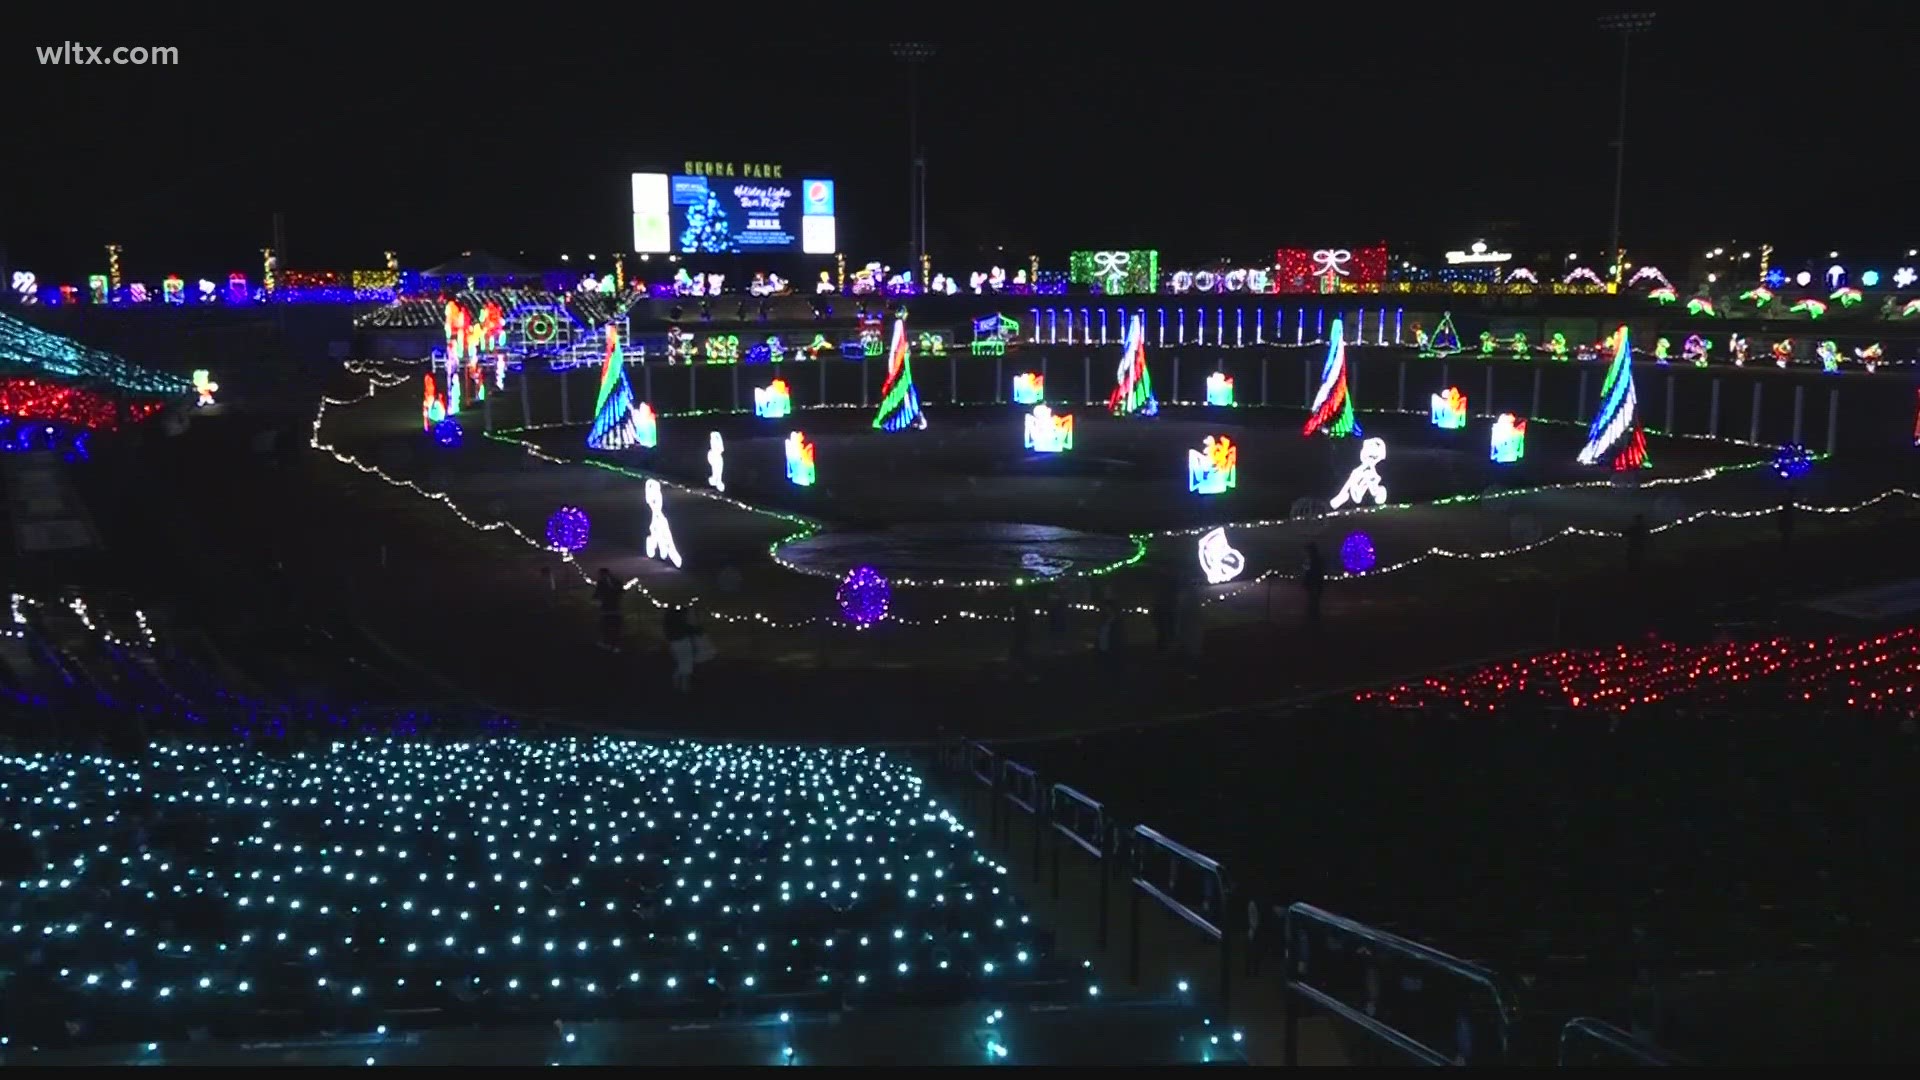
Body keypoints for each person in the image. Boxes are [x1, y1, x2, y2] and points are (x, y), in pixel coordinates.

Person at [593, 568, 624, 652]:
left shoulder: (602, 583)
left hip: (608, 610)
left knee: (607, 628)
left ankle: (609, 645)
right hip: (614, 609)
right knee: (614, 628)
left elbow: (596, 596)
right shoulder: (615, 582)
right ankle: (614, 645)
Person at [1302, 542, 1326, 629]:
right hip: (1316, 582)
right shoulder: (1316, 560)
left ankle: (1313, 619)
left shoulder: (1312, 560)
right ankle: (1314, 618)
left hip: (1314, 582)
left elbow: (1309, 572)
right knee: (1314, 600)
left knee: (1313, 600)